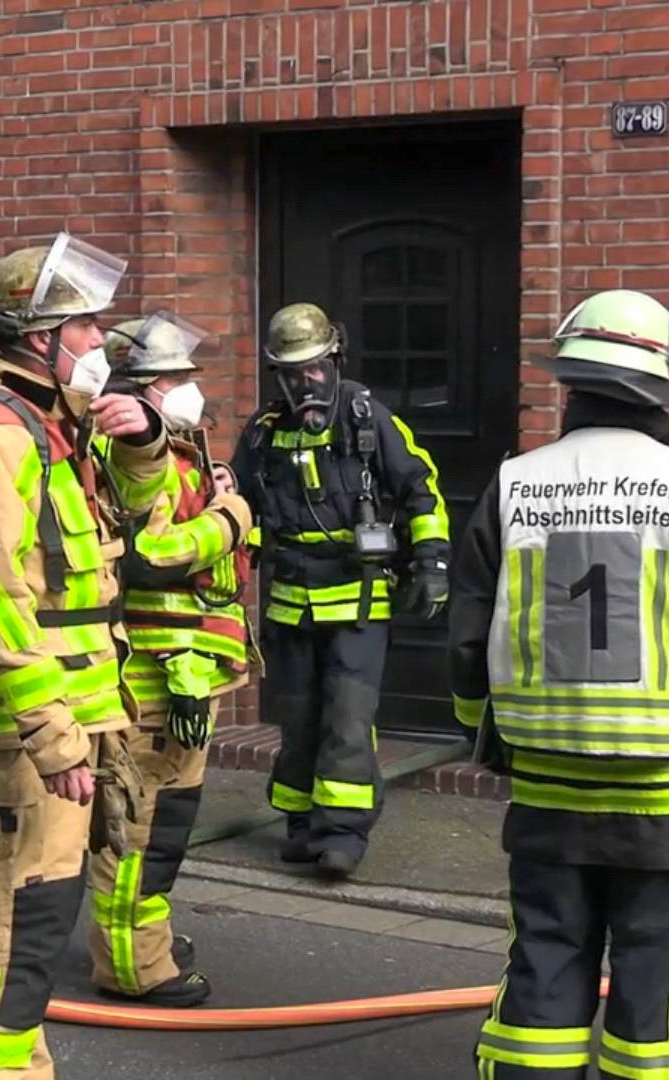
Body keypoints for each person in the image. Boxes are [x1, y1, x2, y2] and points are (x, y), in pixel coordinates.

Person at [448, 288, 669, 1079]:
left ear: (570, 384)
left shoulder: (514, 485)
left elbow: (466, 645)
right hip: (663, 799)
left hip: (546, 789)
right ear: (660, 389)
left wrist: (484, 736)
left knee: (543, 966)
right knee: (654, 986)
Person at [0, 235, 170, 1078]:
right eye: (87, 327)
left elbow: (140, 517)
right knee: (8, 926)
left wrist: (143, 441)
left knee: (41, 921)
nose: (102, 341)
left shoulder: (56, 428)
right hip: (18, 739)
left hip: (68, 725)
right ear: (39, 339)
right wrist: (54, 736)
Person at [230, 301, 450, 878]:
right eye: (292, 373)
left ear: (334, 361)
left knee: (348, 720)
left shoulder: (367, 419)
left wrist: (431, 562)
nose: (306, 383)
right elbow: (238, 509)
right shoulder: (263, 433)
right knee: (299, 721)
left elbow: (421, 489)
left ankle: (343, 835)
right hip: (290, 607)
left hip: (357, 603)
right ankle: (302, 826)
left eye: (315, 369)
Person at [83, 313, 254, 1007]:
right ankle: (133, 966)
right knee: (143, 829)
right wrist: (233, 515)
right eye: (172, 378)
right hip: (156, 677)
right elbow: (152, 560)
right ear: (135, 391)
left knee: (164, 823)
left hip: (181, 671)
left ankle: (142, 941)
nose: (189, 387)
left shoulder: (173, 452)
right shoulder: (127, 454)